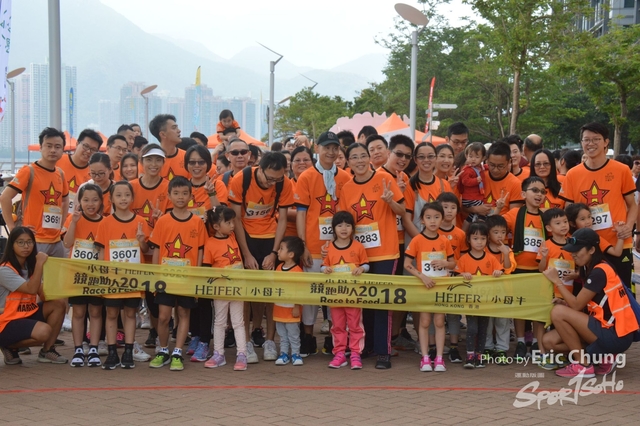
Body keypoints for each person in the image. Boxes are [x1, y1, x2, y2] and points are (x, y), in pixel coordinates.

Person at [340, 143, 405, 369]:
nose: (359, 161)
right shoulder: (347, 188)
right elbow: (344, 222)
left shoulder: (384, 179)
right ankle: (366, 346)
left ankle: (383, 352)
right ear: (348, 162)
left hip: (386, 252)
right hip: (359, 255)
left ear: (369, 158)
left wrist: (390, 201)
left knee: (382, 303)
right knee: (364, 302)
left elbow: (402, 211)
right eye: (354, 157)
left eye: (363, 156)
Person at [542, 228, 639, 378]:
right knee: (549, 341)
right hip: (608, 330)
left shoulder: (599, 271)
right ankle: (604, 356)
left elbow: (576, 305)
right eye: (572, 250)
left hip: (616, 335)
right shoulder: (591, 267)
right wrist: (564, 302)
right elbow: (588, 304)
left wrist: (557, 281)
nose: (573, 254)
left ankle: (583, 365)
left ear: (592, 250)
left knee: (558, 312)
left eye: (577, 250)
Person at [228, 152, 294, 362]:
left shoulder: (284, 183)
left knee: (269, 292)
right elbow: (236, 219)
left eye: (278, 179)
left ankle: (269, 341)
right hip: (246, 237)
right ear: (260, 168)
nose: (273, 183)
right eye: (270, 179)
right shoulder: (241, 179)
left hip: (270, 238)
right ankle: (246, 342)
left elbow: (283, 219)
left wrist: (274, 253)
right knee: (247, 292)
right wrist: (246, 253)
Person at [295, 131, 352, 357]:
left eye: (335, 148)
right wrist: (303, 246)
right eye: (326, 147)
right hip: (313, 245)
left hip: (339, 248)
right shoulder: (307, 177)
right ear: (317, 148)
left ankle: (333, 339)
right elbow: (301, 213)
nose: (331, 152)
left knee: (335, 294)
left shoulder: (345, 177)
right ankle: (308, 337)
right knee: (311, 294)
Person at [560, 122, 637, 288]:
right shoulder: (572, 175)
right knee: (589, 294)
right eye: (586, 140)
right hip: (585, 246)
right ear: (581, 142)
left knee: (621, 292)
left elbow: (632, 205)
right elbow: (568, 210)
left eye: (596, 139)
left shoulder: (622, 170)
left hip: (618, 242)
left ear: (606, 142)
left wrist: (628, 227)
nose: (591, 144)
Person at [148, 177, 205, 371]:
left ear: (191, 196)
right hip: (166, 279)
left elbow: (200, 251)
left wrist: (196, 276)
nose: (180, 197)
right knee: (164, 316)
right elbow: (156, 249)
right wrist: (156, 276)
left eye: (184, 193)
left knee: (183, 313)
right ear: (169, 196)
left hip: (186, 279)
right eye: (176, 193)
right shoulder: (163, 221)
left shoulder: (197, 222)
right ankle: (163, 350)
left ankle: (178, 352)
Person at [94, 181, 151, 369]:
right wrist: (102, 275)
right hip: (112, 279)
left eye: (127, 195)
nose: (123, 199)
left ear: (133, 198)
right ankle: (112, 352)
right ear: (111, 199)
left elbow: (145, 250)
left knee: (130, 313)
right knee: (111, 313)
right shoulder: (105, 223)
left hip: (133, 279)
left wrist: (141, 241)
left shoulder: (140, 221)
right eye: (118, 195)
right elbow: (101, 251)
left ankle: (128, 350)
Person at [0, 227, 67, 365]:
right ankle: (8, 345)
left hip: (25, 314)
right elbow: (31, 289)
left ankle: (47, 351)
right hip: (5, 321)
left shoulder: (29, 266)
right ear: (11, 245)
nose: (26, 246)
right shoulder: (5, 270)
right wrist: (40, 264)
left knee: (58, 304)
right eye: (20, 242)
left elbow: (43, 295)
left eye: (29, 242)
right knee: (44, 332)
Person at [0, 127, 70, 259]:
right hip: (33, 239)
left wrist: (61, 224)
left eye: (57, 147)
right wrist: (13, 228)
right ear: (41, 148)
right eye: (48, 146)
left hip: (56, 241)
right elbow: (5, 197)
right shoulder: (29, 171)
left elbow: (65, 200)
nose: (53, 150)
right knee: (31, 272)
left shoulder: (60, 173)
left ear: (62, 150)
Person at [404, 202, 455, 372]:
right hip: (424, 287)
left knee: (439, 321)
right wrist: (422, 276)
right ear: (422, 220)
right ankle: (425, 357)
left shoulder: (444, 241)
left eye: (436, 217)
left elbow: (453, 263)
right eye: (428, 217)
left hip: (440, 288)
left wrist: (445, 263)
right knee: (425, 321)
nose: (432, 221)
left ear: (442, 219)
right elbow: (407, 263)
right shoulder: (417, 240)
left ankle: (439, 358)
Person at [378, 135, 414, 351]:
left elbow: (405, 212)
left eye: (408, 156)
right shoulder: (378, 176)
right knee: (386, 293)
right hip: (383, 246)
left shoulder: (404, 177)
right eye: (399, 154)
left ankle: (395, 334)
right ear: (388, 152)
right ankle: (383, 338)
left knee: (401, 290)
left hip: (402, 242)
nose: (403, 159)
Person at [503, 176, 546, 360]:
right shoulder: (515, 214)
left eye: (542, 192)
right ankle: (521, 341)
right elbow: (496, 227)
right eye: (534, 190)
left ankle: (536, 342)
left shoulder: (545, 216)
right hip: (518, 269)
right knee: (520, 307)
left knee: (539, 308)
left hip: (540, 271)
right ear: (523, 194)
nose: (539, 194)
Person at [61, 184, 104, 367]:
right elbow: (67, 243)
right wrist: (74, 222)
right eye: (86, 200)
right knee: (78, 312)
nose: (90, 204)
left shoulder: (105, 222)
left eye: (94, 200)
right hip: (77, 274)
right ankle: (78, 348)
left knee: (95, 311)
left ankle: (93, 347)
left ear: (101, 202)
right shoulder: (73, 219)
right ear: (79, 202)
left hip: (96, 275)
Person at [321, 211, 368, 369]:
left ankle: (355, 353)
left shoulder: (358, 246)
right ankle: (339, 353)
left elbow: (366, 264)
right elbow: (323, 265)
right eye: (340, 225)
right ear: (334, 228)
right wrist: (325, 269)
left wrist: (361, 269)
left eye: (348, 225)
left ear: (353, 229)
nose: (343, 228)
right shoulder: (329, 248)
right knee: (337, 325)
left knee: (355, 325)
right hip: (335, 295)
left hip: (354, 295)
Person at [202, 206, 248, 370]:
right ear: (216, 226)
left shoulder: (233, 236)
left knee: (238, 322)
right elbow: (206, 268)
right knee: (220, 321)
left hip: (238, 288)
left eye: (232, 222)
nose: (232, 225)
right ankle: (218, 354)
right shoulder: (210, 243)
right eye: (228, 223)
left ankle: (242, 354)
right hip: (220, 290)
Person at [455, 222, 503, 368]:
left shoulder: (491, 259)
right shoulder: (464, 259)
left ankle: (480, 355)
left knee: (483, 329)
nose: (479, 242)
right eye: (475, 238)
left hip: (486, 301)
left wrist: (498, 272)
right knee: (472, 328)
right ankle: (470, 355)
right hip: (471, 300)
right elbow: (455, 277)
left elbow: (500, 272)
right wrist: (462, 275)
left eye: (482, 238)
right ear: (469, 239)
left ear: (487, 239)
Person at [433, 192, 466, 362]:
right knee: (434, 313)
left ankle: (453, 347)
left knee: (453, 313)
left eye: (453, 207)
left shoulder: (460, 234)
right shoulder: (432, 231)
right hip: (434, 280)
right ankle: (433, 347)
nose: (449, 211)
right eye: (445, 207)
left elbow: (464, 258)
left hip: (453, 279)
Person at [402, 142, 452, 247]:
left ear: (436, 158)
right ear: (415, 159)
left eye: (430, 156)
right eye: (421, 157)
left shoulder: (444, 185)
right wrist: (424, 242)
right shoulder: (409, 186)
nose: (426, 160)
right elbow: (406, 221)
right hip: (416, 243)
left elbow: (451, 216)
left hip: (441, 243)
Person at [483, 215, 515, 365]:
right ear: (488, 233)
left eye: (503, 232)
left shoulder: (507, 250)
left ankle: (502, 349)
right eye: (495, 232)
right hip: (486, 293)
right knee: (487, 322)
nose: (500, 235)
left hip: (504, 293)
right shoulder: (482, 249)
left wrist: (506, 253)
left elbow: (508, 268)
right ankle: (487, 347)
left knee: (502, 322)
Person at [466, 141, 523, 219]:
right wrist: (475, 209)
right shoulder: (478, 176)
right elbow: (463, 205)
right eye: (492, 165)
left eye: (500, 166)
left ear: (509, 162)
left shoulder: (516, 184)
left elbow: (514, 216)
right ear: (486, 160)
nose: (495, 170)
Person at [272, 236, 305, 366]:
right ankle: (284, 353)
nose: (278, 251)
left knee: (293, 334)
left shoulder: (298, 271)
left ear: (291, 254)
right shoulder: (278, 267)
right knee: (282, 334)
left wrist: (297, 306)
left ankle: (296, 353)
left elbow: (301, 291)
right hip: (279, 309)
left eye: (281, 249)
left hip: (291, 310)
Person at [57, 128, 102, 213]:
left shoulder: (94, 173)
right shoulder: (58, 161)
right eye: (86, 146)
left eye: (93, 149)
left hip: (77, 217)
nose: (88, 151)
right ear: (77, 144)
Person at [185, 144, 227, 222]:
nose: (196, 165)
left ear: (208, 163)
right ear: (186, 164)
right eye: (192, 162)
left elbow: (220, 217)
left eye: (201, 162)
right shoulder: (183, 186)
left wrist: (211, 194)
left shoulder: (218, 185)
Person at [149, 114, 189, 180]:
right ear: (163, 134)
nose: (179, 131)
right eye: (174, 128)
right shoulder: (148, 161)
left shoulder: (187, 157)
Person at [458, 142, 490, 225]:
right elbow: (465, 181)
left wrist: (488, 166)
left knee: (473, 216)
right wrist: (475, 180)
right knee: (484, 211)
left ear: (483, 158)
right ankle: (479, 225)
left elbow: (484, 167)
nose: (473, 159)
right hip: (470, 198)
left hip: (475, 197)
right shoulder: (467, 169)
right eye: (471, 156)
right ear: (466, 156)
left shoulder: (479, 167)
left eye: (477, 157)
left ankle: (467, 225)